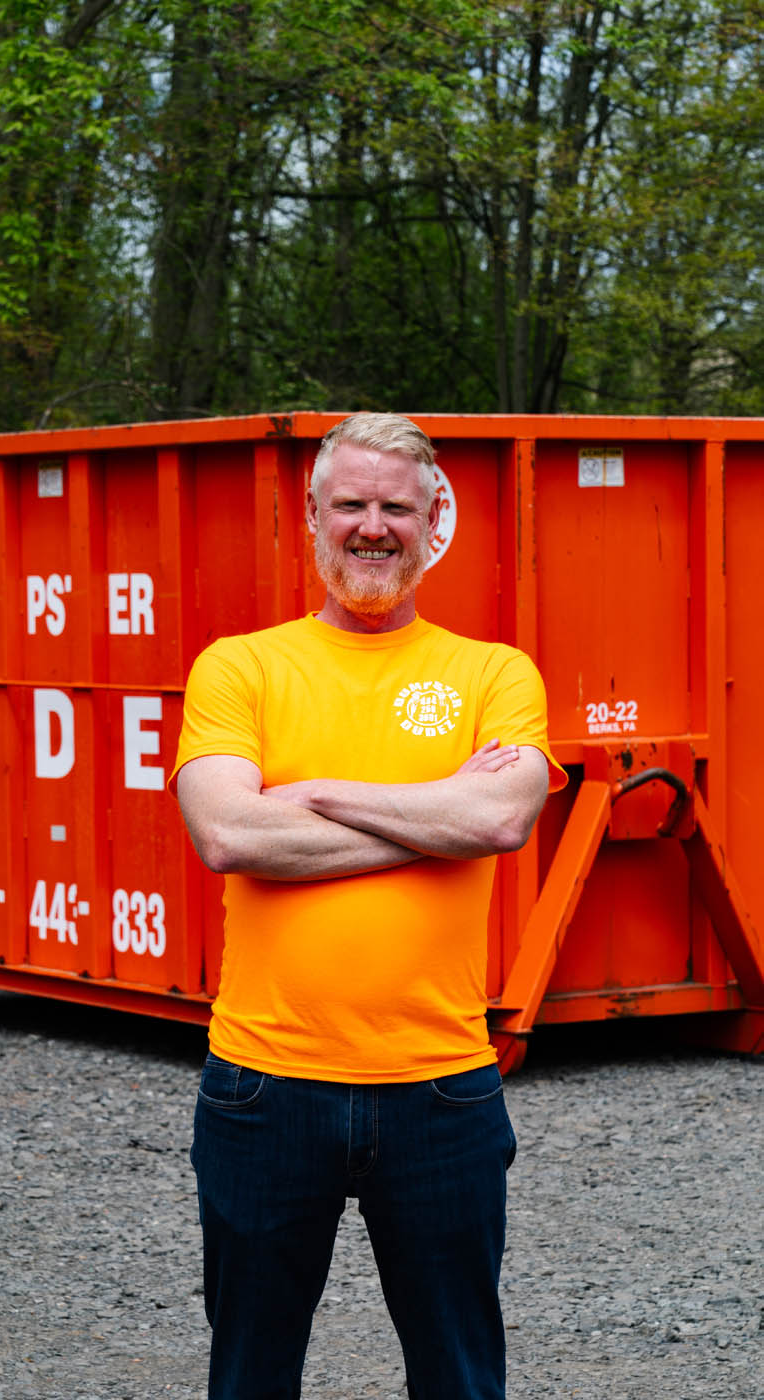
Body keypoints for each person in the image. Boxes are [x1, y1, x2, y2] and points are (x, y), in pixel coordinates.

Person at [170, 412, 566, 1400]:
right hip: (264, 1086)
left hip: (442, 1088)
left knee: (462, 1378)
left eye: (397, 505)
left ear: (437, 520)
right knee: (249, 1377)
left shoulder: (494, 672)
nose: (373, 525)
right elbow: (229, 835)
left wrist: (312, 794)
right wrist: (440, 813)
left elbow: (505, 819)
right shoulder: (241, 666)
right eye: (351, 503)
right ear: (310, 515)